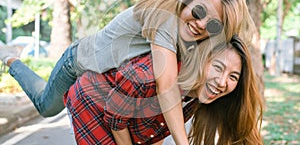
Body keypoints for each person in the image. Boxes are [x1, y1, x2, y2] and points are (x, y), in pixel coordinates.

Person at [0, 0, 255, 145]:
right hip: (78, 63)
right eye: (199, 12)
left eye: (212, 24)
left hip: (106, 82)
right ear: (186, 0)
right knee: (47, 106)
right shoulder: (164, 17)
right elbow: (165, 87)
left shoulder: (193, 40)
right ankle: (11, 59)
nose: (200, 24)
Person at [64, 35, 264, 145]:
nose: (222, 82)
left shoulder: (196, 97)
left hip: (122, 117)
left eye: (233, 77)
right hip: (92, 101)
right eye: (218, 67)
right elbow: (115, 118)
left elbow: (154, 130)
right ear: (201, 60)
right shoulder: (151, 75)